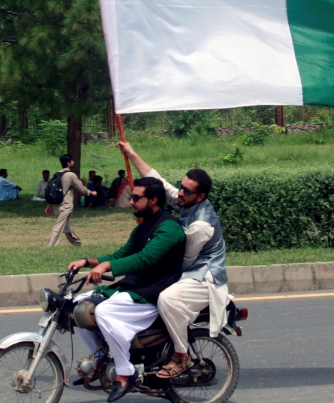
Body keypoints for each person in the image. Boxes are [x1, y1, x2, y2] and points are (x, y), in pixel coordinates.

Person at [67, 177, 186, 402]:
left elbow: (145, 259)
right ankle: (102, 360)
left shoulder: (169, 227)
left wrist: (107, 267)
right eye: (131, 196)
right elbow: (121, 255)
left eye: (136, 197)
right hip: (135, 287)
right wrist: (87, 261)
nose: (131, 201)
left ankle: (125, 371)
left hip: (153, 292)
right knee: (78, 305)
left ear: (154, 199)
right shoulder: (143, 227)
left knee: (103, 312)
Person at [118, 141, 229, 380]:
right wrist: (132, 153)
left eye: (187, 191)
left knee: (166, 297)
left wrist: (151, 263)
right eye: (181, 186)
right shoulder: (184, 200)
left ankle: (181, 355)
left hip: (205, 276)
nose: (180, 192)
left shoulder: (201, 225)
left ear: (200, 197)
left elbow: (184, 261)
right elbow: (158, 182)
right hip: (191, 271)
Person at [45, 154, 95, 247]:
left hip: (56, 205)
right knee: (58, 226)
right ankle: (50, 246)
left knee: (67, 226)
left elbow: (51, 190)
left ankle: (77, 244)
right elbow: (81, 188)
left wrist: (48, 205)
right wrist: (91, 193)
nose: (73, 162)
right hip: (66, 205)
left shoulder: (57, 174)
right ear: (68, 163)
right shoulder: (71, 175)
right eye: (72, 161)